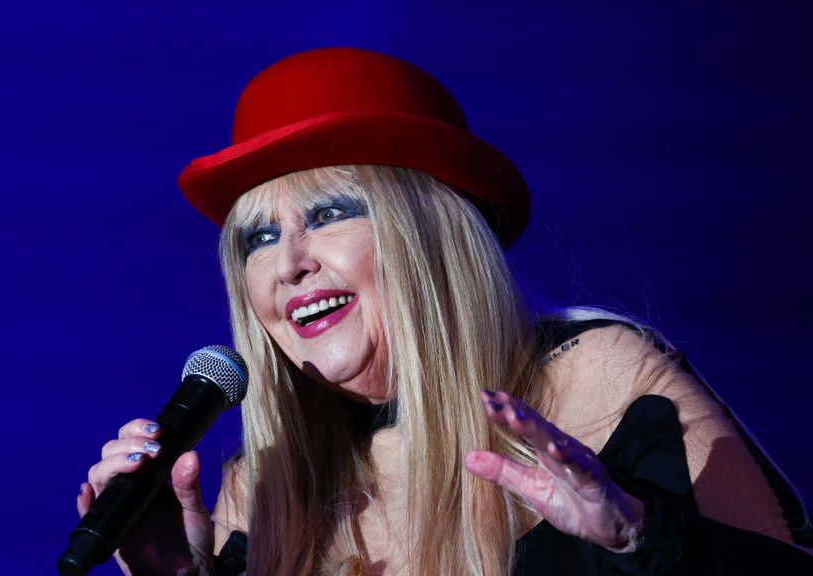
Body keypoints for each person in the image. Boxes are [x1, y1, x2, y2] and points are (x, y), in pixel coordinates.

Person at [75, 48, 812, 575]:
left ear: (431, 239)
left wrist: (643, 538)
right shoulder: (259, 490)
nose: (288, 263)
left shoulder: (602, 383)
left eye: (329, 214)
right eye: (259, 238)